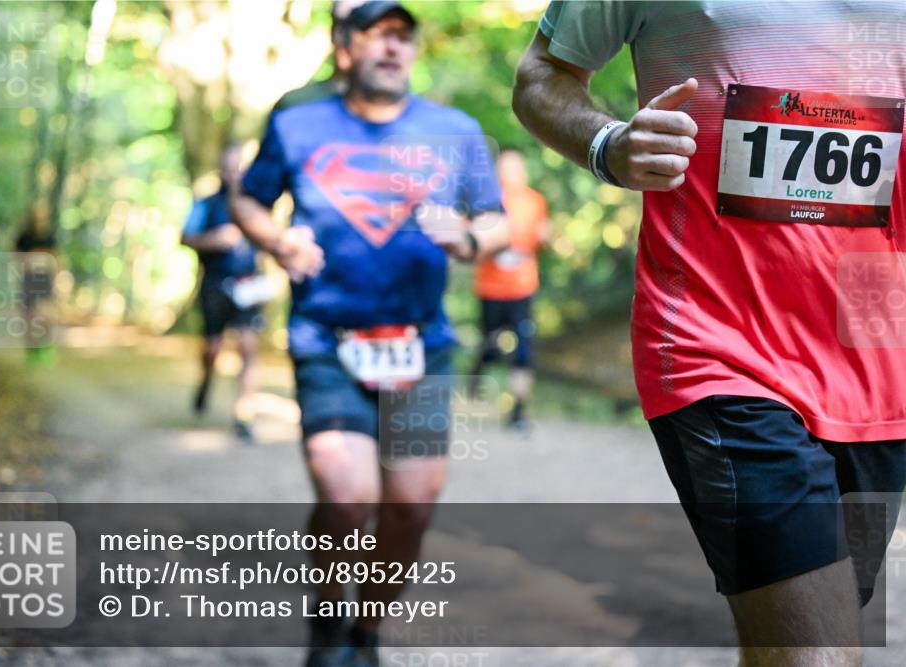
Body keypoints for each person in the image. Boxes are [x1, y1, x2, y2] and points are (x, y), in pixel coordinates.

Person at [513, 2, 906, 665]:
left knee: (822, 623)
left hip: (875, 352)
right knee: (818, 654)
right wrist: (609, 144)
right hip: (716, 341)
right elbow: (540, 75)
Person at [232, 2, 509, 665]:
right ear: (344, 47)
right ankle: (328, 620)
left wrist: (467, 237)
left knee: (411, 502)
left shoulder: (454, 131)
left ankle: (367, 630)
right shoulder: (297, 123)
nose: (393, 47)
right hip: (328, 339)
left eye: (404, 37)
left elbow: (496, 219)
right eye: (377, 34)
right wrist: (276, 239)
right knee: (347, 492)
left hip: (421, 342)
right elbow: (247, 197)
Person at [181, 144, 266, 444]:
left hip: (248, 285)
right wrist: (213, 240)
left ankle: (244, 415)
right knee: (213, 348)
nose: (233, 172)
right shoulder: (205, 204)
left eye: (238, 166)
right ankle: (205, 380)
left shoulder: (257, 203)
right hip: (214, 284)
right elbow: (185, 237)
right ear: (220, 168)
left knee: (247, 347)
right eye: (228, 166)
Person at [468, 148, 549, 430]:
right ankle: (477, 372)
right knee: (490, 347)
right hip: (490, 288)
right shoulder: (486, 202)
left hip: (523, 287)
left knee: (523, 350)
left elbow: (542, 236)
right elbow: (470, 243)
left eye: (516, 166)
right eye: (505, 166)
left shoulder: (535, 202)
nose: (511, 172)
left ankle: (517, 412)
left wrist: (544, 237)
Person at [14, 203, 58, 366]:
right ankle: (32, 353)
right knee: (29, 318)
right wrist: (27, 260)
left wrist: (58, 277)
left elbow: (57, 258)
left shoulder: (49, 237)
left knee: (47, 316)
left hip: (45, 281)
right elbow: (14, 257)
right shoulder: (24, 237)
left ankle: (45, 349)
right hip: (28, 281)